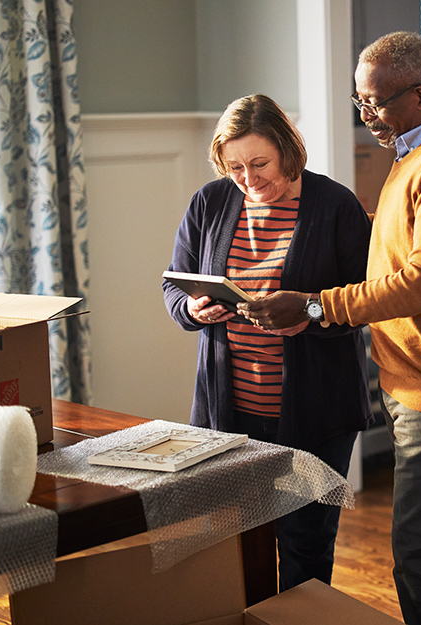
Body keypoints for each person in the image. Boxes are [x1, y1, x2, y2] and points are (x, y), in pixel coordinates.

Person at [239, 32, 421, 625]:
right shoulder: (416, 153)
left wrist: (314, 306)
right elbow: (398, 248)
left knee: (420, 555)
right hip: (420, 376)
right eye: (359, 102)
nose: (366, 116)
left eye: (376, 103)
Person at [162, 94, 373, 592]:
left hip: (316, 415)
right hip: (228, 414)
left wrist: (310, 312)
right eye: (235, 166)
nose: (249, 179)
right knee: (238, 542)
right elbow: (174, 284)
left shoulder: (334, 205)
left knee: (305, 545)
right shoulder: (209, 202)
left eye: (260, 163)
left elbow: (366, 299)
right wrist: (192, 309)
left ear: (287, 149)